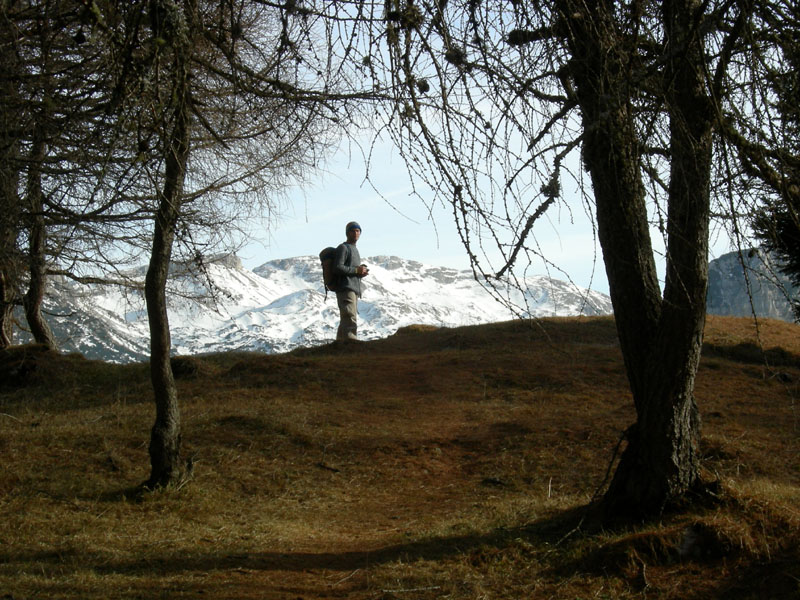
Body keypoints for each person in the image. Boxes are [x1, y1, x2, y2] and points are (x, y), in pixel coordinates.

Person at [333, 221, 369, 341]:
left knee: (347, 317)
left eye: (358, 231)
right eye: (352, 230)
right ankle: (351, 343)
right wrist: (356, 271)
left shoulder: (354, 249)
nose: (355, 233)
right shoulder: (343, 248)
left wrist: (360, 273)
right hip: (345, 288)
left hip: (353, 288)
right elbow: (338, 267)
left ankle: (340, 344)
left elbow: (350, 270)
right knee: (350, 316)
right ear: (347, 233)